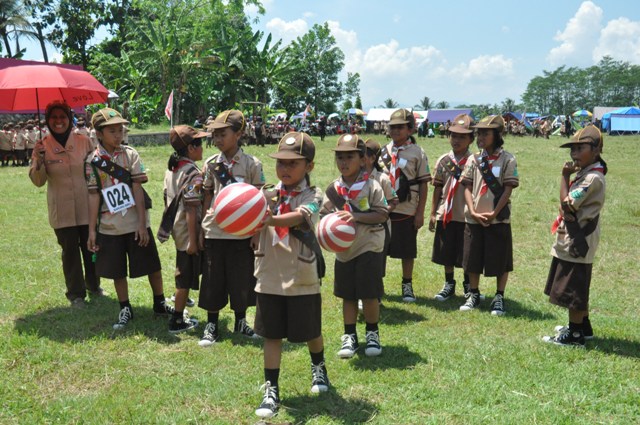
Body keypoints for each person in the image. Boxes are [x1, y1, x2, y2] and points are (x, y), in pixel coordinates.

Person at [251, 132, 329, 419]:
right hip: (269, 273)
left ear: (308, 166)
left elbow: (300, 217)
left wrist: (270, 218)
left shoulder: (314, 194)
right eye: (281, 162)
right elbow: (248, 217)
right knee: (271, 334)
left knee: (311, 330)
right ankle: (271, 388)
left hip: (301, 272)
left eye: (293, 163)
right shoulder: (267, 193)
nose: (284, 169)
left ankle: (318, 368)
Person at [86, 107, 174, 330]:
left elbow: (137, 188)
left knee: (152, 264)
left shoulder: (130, 154)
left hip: (135, 222)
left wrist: (142, 224)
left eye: (120, 130)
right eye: (112, 131)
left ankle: (159, 302)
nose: (118, 135)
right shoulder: (92, 161)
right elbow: (94, 195)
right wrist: (92, 231)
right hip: (110, 225)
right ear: (99, 134)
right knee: (117, 270)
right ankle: (125, 307)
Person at [199, 109, 265, 346]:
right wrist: (201, 229)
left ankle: (240, 320)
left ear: (238, 134)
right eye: (214, 135)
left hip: (242, 233)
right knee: (212, 278)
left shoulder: (252, 164)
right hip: (215, 231)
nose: (217, 139)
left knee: (241, 279)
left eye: (222, 134)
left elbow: (260, 200)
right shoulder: (211, 164)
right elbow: (207, 197)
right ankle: (212, 324)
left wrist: (256, 232)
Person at [29, 101, 104, 306]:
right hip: (61, 210)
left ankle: (94, 285)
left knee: (91, 247)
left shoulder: (83, 141)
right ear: (47, 121)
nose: (58, 121)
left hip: (86, 205)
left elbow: (97, 169)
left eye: (62, 117)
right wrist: (38, 160)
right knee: (69, 251)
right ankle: (76, 294)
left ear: (69, 118)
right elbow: (38, 181)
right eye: (54, 118)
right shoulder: (42, 146)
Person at [321, 134, 389, 359]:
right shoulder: (333, 189)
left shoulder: (372, 186)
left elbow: (382, 213)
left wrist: (356, 216)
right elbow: (323, 213)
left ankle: (372, 333)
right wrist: (328, 222)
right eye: (340, 157)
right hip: (344, 252)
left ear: (363, 160)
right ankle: (349, 336)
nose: (343, 162)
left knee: (369, 295)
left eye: (349, 156)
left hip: (369, 245)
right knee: (347, 295)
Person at [542, 127, 607, 346]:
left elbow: (567, 204)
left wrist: (563, 176)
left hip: (578, 237)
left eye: (581, 148)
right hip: (573, 234)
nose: (575, 154)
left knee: (574, 285)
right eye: (573, 149)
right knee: (575, 280)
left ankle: (575, 334)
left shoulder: (592, 178)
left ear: (596, 150)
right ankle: (582, 325)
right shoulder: (586, 174)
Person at [459, 115, 519, 316]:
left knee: (500, 258)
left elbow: (508, 189)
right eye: (479, 132)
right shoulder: (473, 159)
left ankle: (499, 296)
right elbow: (467, 186)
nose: (480, 136)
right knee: (472, 257)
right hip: (474, 217)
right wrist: (473, 210)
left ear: (498, 134)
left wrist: (494, 212)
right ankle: (473, 294)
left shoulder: (508, 159)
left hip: (498, 218)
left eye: (486, 132)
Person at [160, 125, 208, 333]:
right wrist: (192, 239)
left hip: (177, 229)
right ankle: (177, 320)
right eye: (200, 144)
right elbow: (191, 208)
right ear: (190, 148)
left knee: (184, 273)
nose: (202, 148)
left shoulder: (172, 169)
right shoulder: (193, 174)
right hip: (188, 232)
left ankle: (180, 307)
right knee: (185, 277)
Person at [380, 109, 431, 302]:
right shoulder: (383, 152)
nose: (395, 131)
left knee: (407, 250)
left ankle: (407, 285)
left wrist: (420, 212)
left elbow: (424, 184)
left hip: (407, 207)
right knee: (380, 247)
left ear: (410, 129)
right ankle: (378, 284)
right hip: (383, 208)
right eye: (392, 127)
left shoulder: (417, 152)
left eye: (400, 127)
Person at [429, 114, 475, 301]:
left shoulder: (475, 161)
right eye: (453, 135)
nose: (456, 140)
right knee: (446, 252)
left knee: (466, 252)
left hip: (466, 214)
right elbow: (438, 187)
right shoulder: (443, 160)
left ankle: (468, 285)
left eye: (462, 137)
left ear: (471, 139)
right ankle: (449, 283)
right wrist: (432, 212)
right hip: (446, 213)